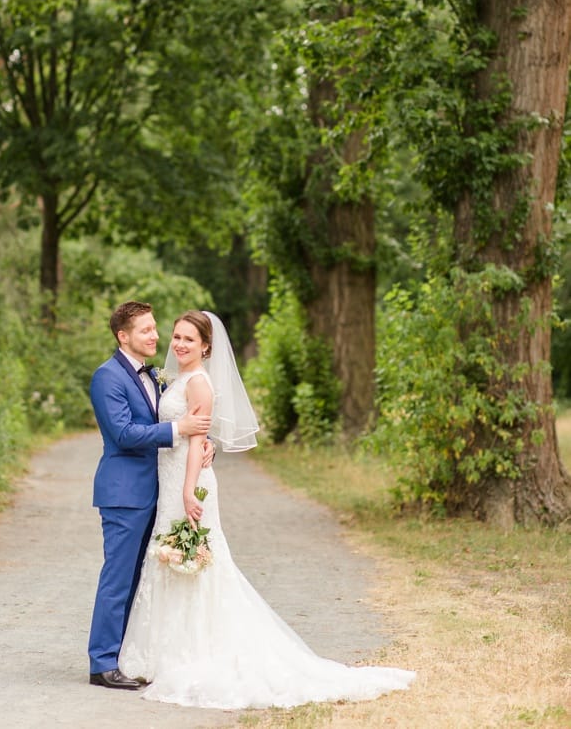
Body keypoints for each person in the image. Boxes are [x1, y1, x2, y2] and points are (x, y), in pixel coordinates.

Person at [119, 309, 414, 708]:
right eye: (177, 336)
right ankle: (162, 652)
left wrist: (189, 490)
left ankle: (194, 651)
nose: (179, 344)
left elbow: (194, 442)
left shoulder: (200, 384)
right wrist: (200, 454)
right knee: (171, 562)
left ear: (207, 346)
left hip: (186, 485)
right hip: (171, 481)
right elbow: (189, 435)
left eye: (189, 338)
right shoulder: (177, 380)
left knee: (197, 564)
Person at [87, 301, 212, 690]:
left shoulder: (157, 376)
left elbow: (192, 419)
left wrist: (203, 443)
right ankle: (102, 663)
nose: (155, 336)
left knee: (142, 578)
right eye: (146, 330)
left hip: (158, 492)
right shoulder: (107, 377)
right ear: (123, 336)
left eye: (156, 328)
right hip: (124, 493)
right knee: (118, 578)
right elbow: (124, 434)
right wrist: (180, 429)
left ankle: (126, 655)